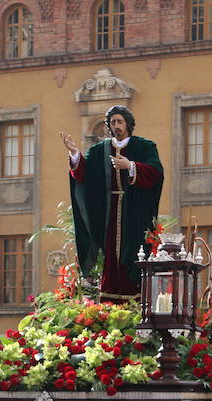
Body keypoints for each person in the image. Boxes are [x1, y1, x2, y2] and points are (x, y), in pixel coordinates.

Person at [62, 105, 165, 300]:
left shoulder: (144, 146)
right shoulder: (101, 149)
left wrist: (131, 166)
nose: (116, 126)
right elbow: (85, 174)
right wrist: (75, 154)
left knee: (134, 252)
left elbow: (156, 172)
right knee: (111, 255)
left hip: (135, 210)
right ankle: (109, 301)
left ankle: (136, 298)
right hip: (109, 211)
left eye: (119, 121)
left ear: (128, 124)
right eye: (112, 122)